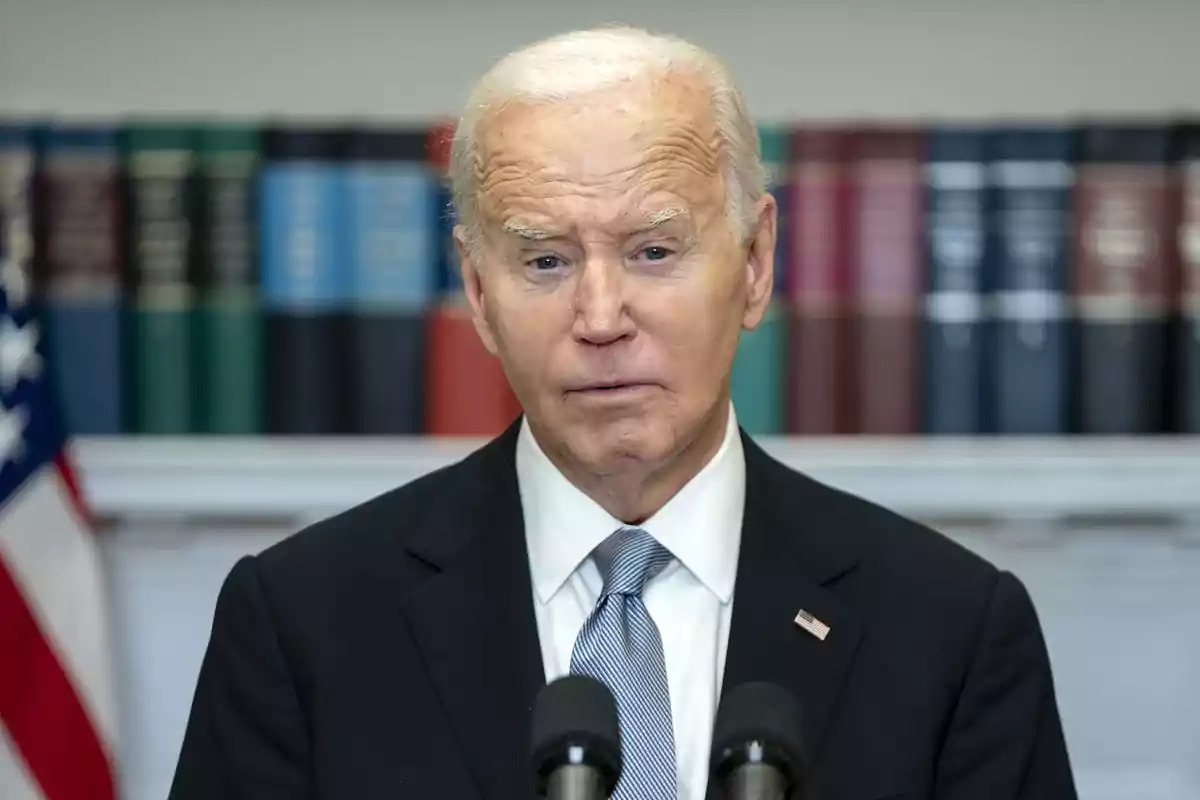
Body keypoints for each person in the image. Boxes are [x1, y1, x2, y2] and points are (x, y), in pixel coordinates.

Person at [167, 26, 1078, 800]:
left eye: (652, 250)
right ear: (478, 293)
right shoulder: (302, 625)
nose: (601, 319)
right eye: (544, 263)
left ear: (756, 262)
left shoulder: (951, 630)